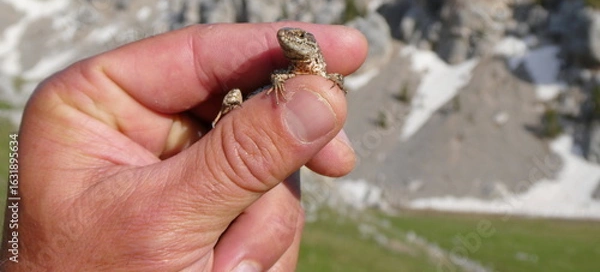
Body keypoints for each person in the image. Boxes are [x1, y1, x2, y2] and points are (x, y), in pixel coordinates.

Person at [2, 23, 367, 271]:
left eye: (298, 36)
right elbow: (277, 78)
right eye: (286, 37)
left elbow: (330, 76)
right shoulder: (287, 73)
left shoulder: (320, 68)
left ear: (311, 46)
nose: (289, 39)